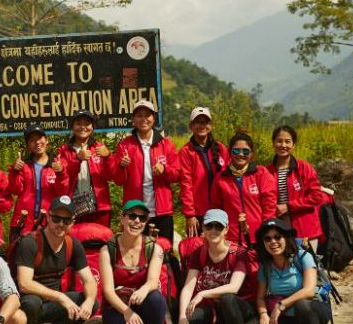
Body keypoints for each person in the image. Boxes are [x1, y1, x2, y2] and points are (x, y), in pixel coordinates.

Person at [10, 195, 99, 324]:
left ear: (72, 222)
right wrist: (60, 297)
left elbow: (89, 280)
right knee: (32, 302)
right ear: (48, 217)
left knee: (92, 302)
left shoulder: (73, 245)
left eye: (66, 220)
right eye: (56, 218)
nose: (60, 224)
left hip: (51, 305)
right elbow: (25, 284)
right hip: (24, 304)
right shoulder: (30, 242)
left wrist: (88, 302)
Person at [177, 209, 255, 324]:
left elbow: (234, 287)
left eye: (218, 226)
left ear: (226, 229)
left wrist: (202, 293)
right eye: (209, 226)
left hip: (241, 307)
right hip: (215, 309)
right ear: (203, 229)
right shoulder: (200, 253)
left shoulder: (238, 253)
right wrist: (182, 317)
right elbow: (188, 287)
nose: (213, 230)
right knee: (189, 323)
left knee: (227, 298)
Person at [255, 218, 330, 324]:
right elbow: (260, 298)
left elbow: (309, 291)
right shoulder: (265, 266)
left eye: (277, 237)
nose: (273, 242)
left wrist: (281, 305)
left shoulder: (303, 257)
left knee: (303, 305)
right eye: (267, 238)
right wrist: (263, 315)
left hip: (313, 313)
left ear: (286, 238)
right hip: (285, 319)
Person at [99, 200, 166, 324]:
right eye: (132, 216)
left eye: (142, 218)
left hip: (141, 302)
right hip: (116, 307)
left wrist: (143, 290)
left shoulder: (154, 248)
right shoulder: (108, 250)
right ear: (122, 219)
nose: (137, 221)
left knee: (156, 298)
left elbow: (153, 281)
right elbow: (107, 291)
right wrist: (127, 312)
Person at [113, 100, 180, 244]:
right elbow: (118, 180)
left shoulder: (166, 144)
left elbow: (177, 175)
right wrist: (121, 166)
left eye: (147, 115)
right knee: (135, 253)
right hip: (135, 212)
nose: (143, 119)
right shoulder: (125, 145)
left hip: (162, 212)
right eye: (139, 115)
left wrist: (164, 170)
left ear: (154, 118)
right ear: (133, 119)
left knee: (164, 252)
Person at [211, 132, 276, 247]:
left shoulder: (261, 173)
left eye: (246, 151)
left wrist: (266, 231)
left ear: (252, 154)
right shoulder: (220, 178)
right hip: (230, 239)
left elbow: (269, 206)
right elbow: (216, 209)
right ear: (230, 152)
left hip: (259, 237)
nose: (241, 154)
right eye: (236, 151)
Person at [267, 125, 324, 251]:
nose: (283, 145)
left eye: (287, 141)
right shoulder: (266, 172)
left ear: (293, 145)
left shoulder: (303, 168)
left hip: (306, 228)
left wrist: (289, 206)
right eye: (279, 141)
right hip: (279, 229)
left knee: (307, 265)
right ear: (273, 143)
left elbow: (316, 196)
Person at [7, 124, 69, 238]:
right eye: (32, 140)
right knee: (20, 254)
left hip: (49, 222)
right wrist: (14, 172)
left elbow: (62, 192)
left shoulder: (57, 165)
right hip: (23, 222)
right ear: (28, 146)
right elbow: (15, 190)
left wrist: (61, 173)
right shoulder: (23, 166)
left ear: (46, 140)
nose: (37, 142)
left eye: (40, 138)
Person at [57, 110, 115, 227]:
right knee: (75, 243)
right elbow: (64, 180)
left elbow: (112, 176)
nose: (83, 127)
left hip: (100, 207)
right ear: (72, 127)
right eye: (78, 123)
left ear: (92, 127)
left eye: (87, 123)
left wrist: (108, 156)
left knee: (100, 241)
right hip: (73, 207)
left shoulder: (99, 147)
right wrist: (77, 159)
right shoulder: (63, 150)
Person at [178, 107, 229, 237]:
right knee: (198, 251)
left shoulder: (220, 148)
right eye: (197, 122)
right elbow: (186, 183)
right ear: (191, 126)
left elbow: (228, 179)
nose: (202, 125)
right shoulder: (186, 151)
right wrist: (190, 215)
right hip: (198, 212)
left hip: (220, 209)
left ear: (211, 126)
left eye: (205, 122)